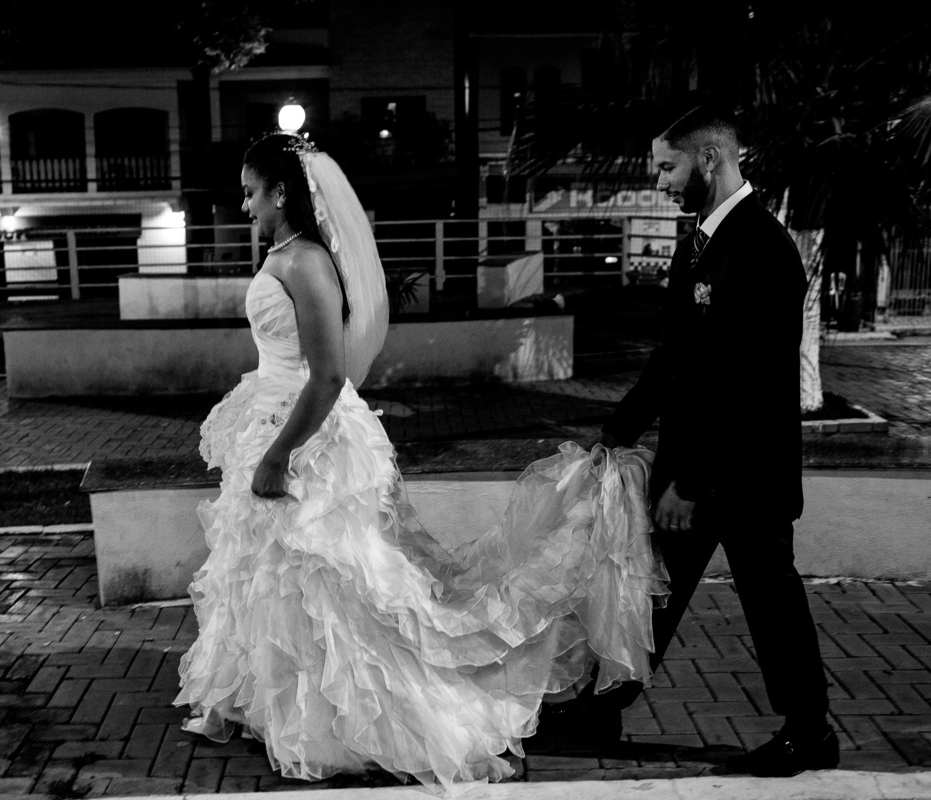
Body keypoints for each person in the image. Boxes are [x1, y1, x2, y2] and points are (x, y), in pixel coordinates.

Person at [174, 132, 669, 788]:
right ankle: (277, 702)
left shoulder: (306, 265)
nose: (244, 207)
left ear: (281, 192)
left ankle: (351, 715)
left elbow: (325, 377)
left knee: (331, 584)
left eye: (250, 193)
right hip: (273, 419)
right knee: (276, 580)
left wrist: (278, 456)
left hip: (305, 439)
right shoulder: (284, 256)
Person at [542, 104, 837, 778]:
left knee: (771, 600)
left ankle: (810, 730)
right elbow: (676, 357)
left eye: (667, 166)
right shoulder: (697, 242)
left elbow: (748, 384)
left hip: (744, 471)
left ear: (709, 159)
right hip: (695, 465)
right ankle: (604, 705)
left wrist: (692, 482)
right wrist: (617, 428)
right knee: (651, 591)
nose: (661, 181)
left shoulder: (762, 248)